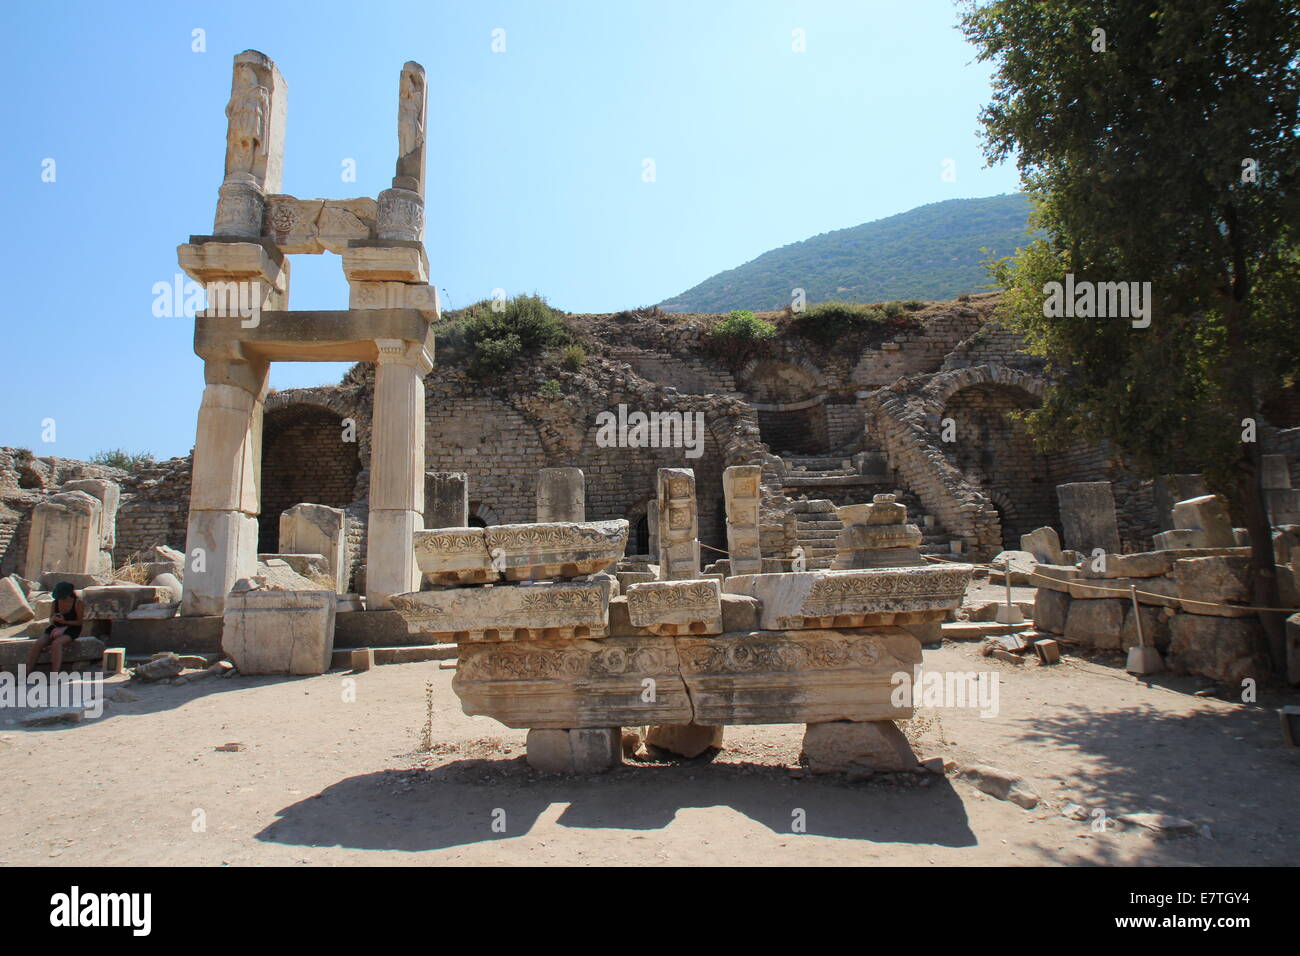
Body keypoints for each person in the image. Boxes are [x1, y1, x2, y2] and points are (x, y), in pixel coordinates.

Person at [25, 581, 84, 674]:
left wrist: (65, 623)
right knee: (38, 643)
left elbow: (79, 622)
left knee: (56, 644)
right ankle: (27, 672)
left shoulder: (78, 603)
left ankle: (54, 674)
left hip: (72, 628)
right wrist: (55, 620)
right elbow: (51, 619)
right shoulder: (55, 603)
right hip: (56, 627)